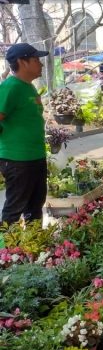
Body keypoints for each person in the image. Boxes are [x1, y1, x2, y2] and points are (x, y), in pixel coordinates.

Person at [0, 43, 49, 225]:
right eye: (36, 60)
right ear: (22, 62)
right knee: (15, 207)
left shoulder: (29, 87)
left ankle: (33, 247)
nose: (41, 64)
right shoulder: (10, 87)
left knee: (35, 205)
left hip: (35, 156)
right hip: (17, 159)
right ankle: (6, 250)